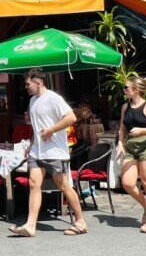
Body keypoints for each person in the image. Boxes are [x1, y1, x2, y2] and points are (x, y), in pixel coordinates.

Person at [8, 69, 88, 237]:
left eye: (28, 84)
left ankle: (80, 221)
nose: (26, 87)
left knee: (63, 185)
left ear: (38, 82)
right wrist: (31, 144)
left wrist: (51, 129)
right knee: (33, 184)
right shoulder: (32, 101)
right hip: (37, 151)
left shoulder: (53, 98)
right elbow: (36, 126)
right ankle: (30, 225)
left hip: (55, 152)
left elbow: (71, 118)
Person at [116, 76, 146, 233]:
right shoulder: (125, 107)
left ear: (136, 90)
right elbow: (122, 127)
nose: (124, 90)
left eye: (126, 87)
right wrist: (120, 143)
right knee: (127, 183)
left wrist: (142, 130)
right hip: (131, 147)